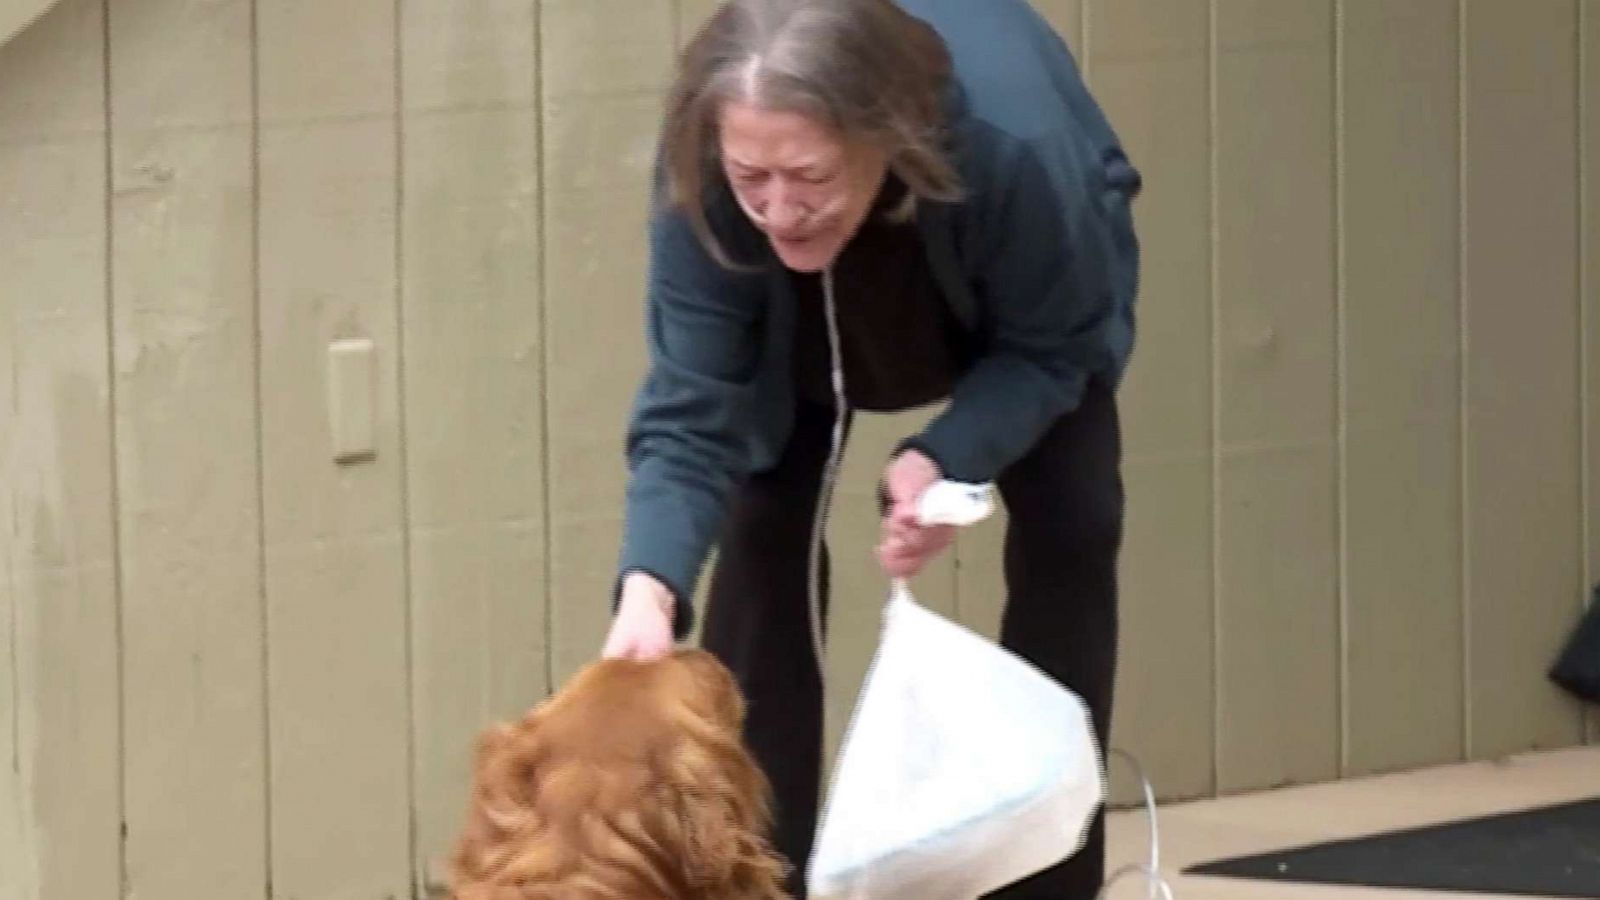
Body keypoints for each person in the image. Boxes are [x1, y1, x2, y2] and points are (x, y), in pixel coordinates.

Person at [600, 0, 1141, 896]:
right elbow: (695, 406)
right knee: (763, 520)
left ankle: (1049, 875)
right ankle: (764, 874)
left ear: (884, 133)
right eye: (751, 174)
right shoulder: (709, 169)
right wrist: (648, 592)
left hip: (1011, 289)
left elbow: (1058, 347)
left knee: (1075, 521)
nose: (777, 205)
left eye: (805, 173)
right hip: (807, 304)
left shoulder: (1016, 145)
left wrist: (951, 454)